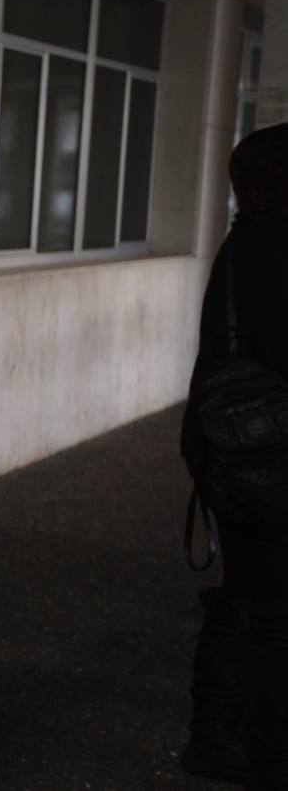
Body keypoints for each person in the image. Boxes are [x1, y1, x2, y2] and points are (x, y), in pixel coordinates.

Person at [181, 122, 288, 789]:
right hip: (274, 462)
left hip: (229, 455)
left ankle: (216, 743)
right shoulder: (278, 251)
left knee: (247, 599)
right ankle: (259, 752)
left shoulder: (237, 246)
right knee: (271, 612)